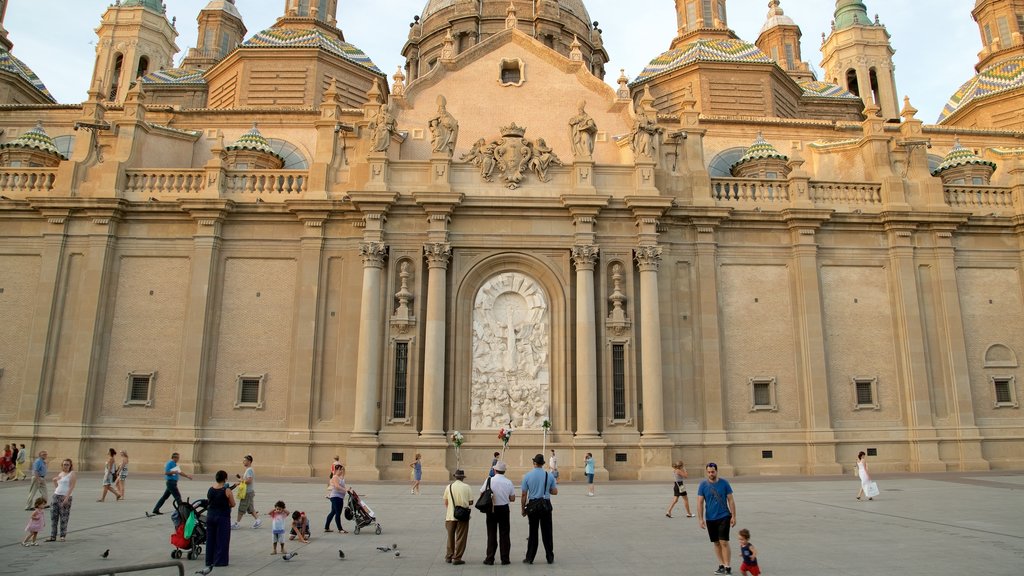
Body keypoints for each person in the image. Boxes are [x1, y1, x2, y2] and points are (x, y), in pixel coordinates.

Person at [697, 462, 737, 575]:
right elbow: (699, 502)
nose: (711, 474)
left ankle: (727, 566)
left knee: (724, 541)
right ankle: (721, 565)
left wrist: (734, 516)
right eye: (709, 472)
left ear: (716, 471)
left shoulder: (724, 483)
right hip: (710, 518)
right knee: (716, 543)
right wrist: (700, 519)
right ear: (706, 472)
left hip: (724, 516)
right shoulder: (703, 485)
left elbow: (731, 500)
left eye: (713, 472)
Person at [521, 453, 558, 564]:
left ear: (534, 463)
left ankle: (530, 557)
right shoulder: (549, 475)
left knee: (533, 532)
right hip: (545, 504)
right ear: (542, 464)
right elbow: (555, 491)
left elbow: (524, 494)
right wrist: (547, 490)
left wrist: (523, 509)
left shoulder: (527, 476)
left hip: (533, 505)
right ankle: (549, 557)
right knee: (547, 532)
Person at [481, 460, 515, 565]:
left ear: (495, 470)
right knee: (504, 534)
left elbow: (482, 492)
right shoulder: (508, 482)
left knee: (491, 534)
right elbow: (512, 498)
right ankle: (505, 558)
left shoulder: (489, 480)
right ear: (504, 471)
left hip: (492, 509)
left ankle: (490, 558)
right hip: (504, 509)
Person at [205, 470, 235, 569]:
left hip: (210, 515)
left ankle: (209, 560)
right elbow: (233, 504)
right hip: (222, 516)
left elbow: (209, 501)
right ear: (225, 479)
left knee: (210, 539)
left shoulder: (210, 489)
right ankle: (220, 561)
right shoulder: (226, 490)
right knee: (222, 539)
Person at [442, 469, 473, 565]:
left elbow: (446, 502)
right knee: (461, 537)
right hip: (462, 516)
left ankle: (449, 556)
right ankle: (457, 557)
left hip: (450, 516)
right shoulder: (467, 487)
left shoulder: (449, 487)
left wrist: (452, 509)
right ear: (463, 478)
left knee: (450, 537)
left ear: (455, 477)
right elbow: (471, 502)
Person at [46, 458, 76, 542]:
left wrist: (66, 498)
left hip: (65, 497)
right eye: (64, 464)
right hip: (56, 496)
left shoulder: (72, 474)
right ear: (62, 465)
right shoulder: (61, 473)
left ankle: (62, 536)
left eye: (67, 464)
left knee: (64, 517)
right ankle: (53, 536)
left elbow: (71, 486)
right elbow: (57, 485)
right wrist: (54, 481)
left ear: (70, 466)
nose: (66, 466)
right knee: (53, 517)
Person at [233, 455, 262, 528]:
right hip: (249, 491)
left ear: (249, 461)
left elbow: (249, 480)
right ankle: (258, 521)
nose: (243, 462)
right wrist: (241, 481)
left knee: (242, 508)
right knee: (250, 508)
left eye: (245, 460)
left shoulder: (249, 470)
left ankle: (237, 523)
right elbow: (246, 480)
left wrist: (241, 480)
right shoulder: (248, 470)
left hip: (247, 492)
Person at [324, 463, 349, 533]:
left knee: (333, 512)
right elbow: (337, 486)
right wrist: (346, 490)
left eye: (341, 470)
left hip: (339, 497)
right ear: (336, 470)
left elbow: (344, 471)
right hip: (336, 497)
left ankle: (326, 527)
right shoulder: (335, 477)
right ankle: (340, 529)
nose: (341, 471)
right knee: (338, 513)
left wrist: (343, 467)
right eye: (340, 470)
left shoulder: (341, 477)